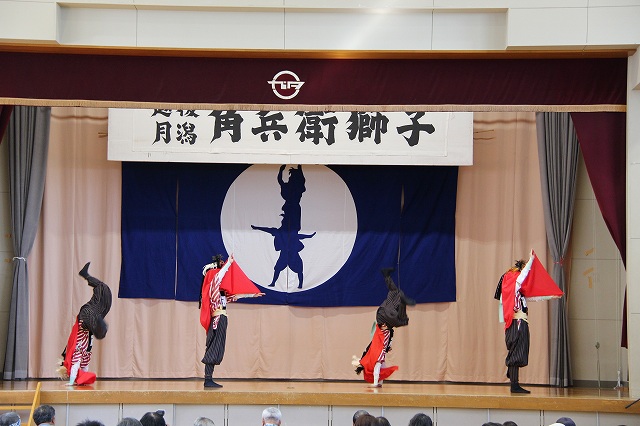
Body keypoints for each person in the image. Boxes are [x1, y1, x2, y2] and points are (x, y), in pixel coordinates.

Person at [494, 250, 563, 394]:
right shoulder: (514, 284)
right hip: (517, 323)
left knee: (518, 352)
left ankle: (513, 378)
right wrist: (531, 260)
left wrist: (551, 296)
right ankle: (514, 384)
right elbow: (522, 276)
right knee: (516, 354)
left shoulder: (518, 293)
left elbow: (534, 297)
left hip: (520, 322)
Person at [200, 254, 264, 388]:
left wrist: (252, 294)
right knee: (213, 348)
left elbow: (235, 297)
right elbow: (218, 277)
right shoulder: (213, 289)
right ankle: (208, 379)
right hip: (217, 318)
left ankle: (209, 378)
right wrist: (228, 263)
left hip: (221, 318)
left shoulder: (221, 293)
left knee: (216, 348)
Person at [353, 267, 415, 387]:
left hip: (384, 316)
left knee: (402, 320)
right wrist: (388, 345)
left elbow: (377, 343)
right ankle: (387, 276)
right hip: (383, 315)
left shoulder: (378, 344)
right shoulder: (383, 338)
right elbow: (385, 339)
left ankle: (389, 279)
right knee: (396, 294)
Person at [58, 262, 112, 386]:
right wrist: (82, 380)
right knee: (105, 290)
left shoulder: (77, 353)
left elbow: (76, 365)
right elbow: (84, 367)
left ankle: (85, 275)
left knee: (103, 289)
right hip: (91, 322)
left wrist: (71, 382)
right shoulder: (86, 355)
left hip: (86, 317)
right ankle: (86, 275)